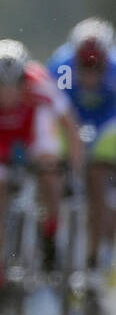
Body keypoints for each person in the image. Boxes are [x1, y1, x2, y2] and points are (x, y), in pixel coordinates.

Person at [0, 39, 81, 315]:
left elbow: (70, 128)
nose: (6, 93)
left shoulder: (41, 84)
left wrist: (71, 170)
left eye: (13, 85)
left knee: (50, 175)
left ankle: (50, 237)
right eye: (0, 87)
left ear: (24, 80)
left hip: (34, 133)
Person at [48, 18, 116, 286]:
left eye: (95, 65)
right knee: (53, 165)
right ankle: (51, 225)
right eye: (84, 65)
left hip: (105, 124)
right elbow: (52, 106)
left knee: (97, 178)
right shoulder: (60, 68)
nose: (89, 72)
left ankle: (92, 257)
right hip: (69, 122)